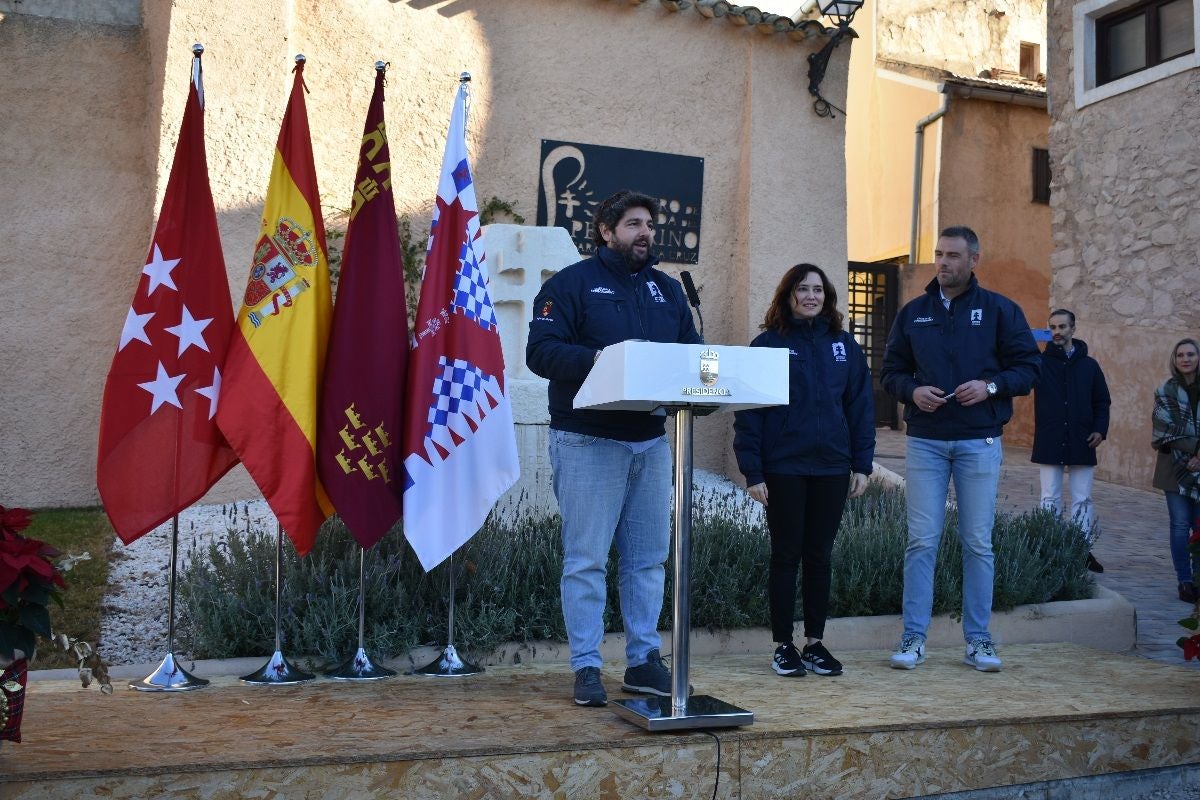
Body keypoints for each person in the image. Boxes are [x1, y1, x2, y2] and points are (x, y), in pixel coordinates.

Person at [525, 189, 702, 707]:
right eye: (633, 224)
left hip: (650, 444)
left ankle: (644, 661)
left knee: (648, 561)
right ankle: (585, 666)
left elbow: (691, 358)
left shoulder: (669, 292)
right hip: (588, 441)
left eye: (650, 224)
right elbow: (541, 352)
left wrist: (702, 380)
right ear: (606, 230)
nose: (645, 232)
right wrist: (608, 363)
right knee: (587, 560)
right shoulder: (571, 285)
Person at [880, 226, 1040, 673]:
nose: (943, 262)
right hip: (927, 443)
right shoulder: (913, 313)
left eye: (953, 255)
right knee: (920, 542)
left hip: (979, 441)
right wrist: (913, 393)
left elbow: (1029, 369)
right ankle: (913, 637)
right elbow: (892, 372)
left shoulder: (1000, 311)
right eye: (939, 254)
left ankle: (979, 640)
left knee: (977, 543)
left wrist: (989, 386)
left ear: (974, 259)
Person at [733, 264, 875, 678]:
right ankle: (783, 645)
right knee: (786, 555)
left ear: (827, 297)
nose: (811, 296)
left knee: (820, 556)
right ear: (788, 295)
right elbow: (750, 414)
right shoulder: (767, 345)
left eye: (818, 289)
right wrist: (753, 471)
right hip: (784, 467)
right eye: (802, 289)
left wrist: (861, 465)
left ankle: (814, 642)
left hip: (832, 466)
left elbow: (860, 408)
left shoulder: (844, 347)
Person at [1031, 309, 1111, 573]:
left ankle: (1081, 549)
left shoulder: (1090, 366)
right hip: (1050, 437)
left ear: (1073, 329)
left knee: (1082, 498)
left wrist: (1100, 430)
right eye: (1053, 326)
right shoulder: (1039, 364)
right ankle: (1049, 547)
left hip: (1082, 439)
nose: (1057, 331)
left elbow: (1102, 401)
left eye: (1063, 326)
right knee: (1049, 497)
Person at [1151, 338, 1200, 604]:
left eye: (1191, 354)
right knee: (1180, 526)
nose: (1186, 359)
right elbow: (1163, 429)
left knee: (1199, 527)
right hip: (1175, 467)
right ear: (1175, 359)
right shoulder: (1165, 391)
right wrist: (1196, 450)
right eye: (1180, 355)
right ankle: (1185, 581)